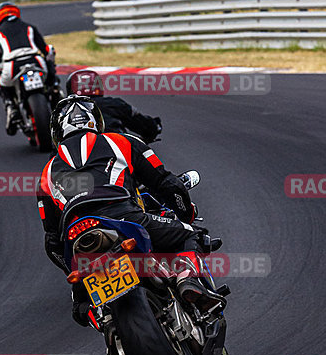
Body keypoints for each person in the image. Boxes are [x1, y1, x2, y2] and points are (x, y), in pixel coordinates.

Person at [36, 95, 218, 326]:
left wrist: (72, 273)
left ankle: (106, 326)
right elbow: (167, 184)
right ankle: (186, 282)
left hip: (79, 238)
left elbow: (52, 240)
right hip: (123, 216)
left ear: (56, 132)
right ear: (96, 120)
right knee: (192, 234)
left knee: (80, 306)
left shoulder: (46, 172)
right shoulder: (121, 141)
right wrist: (185, 215)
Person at [0, 1, 59, 135]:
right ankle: (56, 94)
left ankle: (11, 108)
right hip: (36, 61)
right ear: (16, 13)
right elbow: (45, 49)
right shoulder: (30, 27)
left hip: (12, 65)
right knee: (51, 76)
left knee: (0, 84)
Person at [65, 68, 162, 143]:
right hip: (115, 155)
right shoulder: (114, 104)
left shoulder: (64, 110)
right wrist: (153, 127)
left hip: (74, 158)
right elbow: (141, 123)